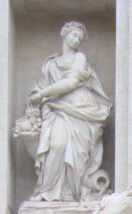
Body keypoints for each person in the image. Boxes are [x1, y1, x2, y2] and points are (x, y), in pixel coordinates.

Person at [25, 21, 112, 202]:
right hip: (57, 109)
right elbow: (41, 86)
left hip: (80, 108)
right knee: (57, 145)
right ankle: (47, 191)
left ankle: (70, 193)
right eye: (74, 35)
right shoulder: (50, 64)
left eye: (80, 38)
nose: (76, 40)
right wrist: (36, 97)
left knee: (77, 153)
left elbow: (70, 83)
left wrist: (41, 94)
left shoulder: (80, 58)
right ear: (64, 33)